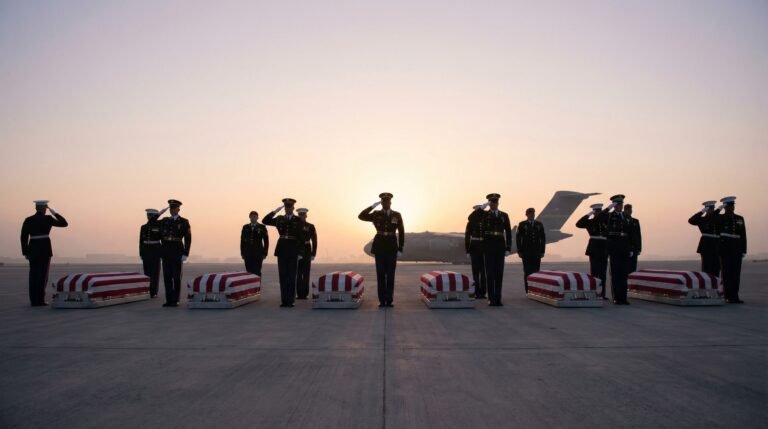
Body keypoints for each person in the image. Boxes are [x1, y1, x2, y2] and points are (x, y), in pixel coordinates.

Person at [358, 193, 404, 308]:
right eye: (383, 202)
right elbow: (361, 216)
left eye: (387, 202)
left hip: (392, 247)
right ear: (381, 203)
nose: (385, 204)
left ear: (390, 203)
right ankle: (382, 301)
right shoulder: (376, 214)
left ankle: (389, 300)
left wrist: (400, 248)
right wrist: (372, 206)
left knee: (390, 275)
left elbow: (402, 232)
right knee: (380, 275)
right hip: (379, 248)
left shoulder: (397, 215)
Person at [20, 200, 68, 306]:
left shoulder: (28, 219)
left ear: (36, 208)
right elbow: (64, 223)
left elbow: (23, 237)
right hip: (45, 250)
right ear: (44, 209)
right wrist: (54, 213)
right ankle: (40, 300)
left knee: (33, 275)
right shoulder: (48, 218)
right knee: (42, 276)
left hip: (33, 249)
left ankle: (33, 301)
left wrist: (25, 252)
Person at [263, 198, 304, 307]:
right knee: (283, 276)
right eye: (286, 207)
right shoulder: (279, 219)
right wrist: (275, 211)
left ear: (293, 208)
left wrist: (300, 252)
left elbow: (301, 236)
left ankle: (290, 301)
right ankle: (284, 301)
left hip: (293, 249)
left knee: (291, 276)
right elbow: (265, 221)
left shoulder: (298, 220)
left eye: (289, 207)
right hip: (281, 249)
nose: (287, 209)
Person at [480, 193, 513, 306]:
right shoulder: (484, 215)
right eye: (491, 203)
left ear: (498, 203)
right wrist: (481, 208)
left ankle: (498, 298)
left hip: (500, 247)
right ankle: (491, 298)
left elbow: (508, 232)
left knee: (499, 274)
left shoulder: (504, 215)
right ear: (489, 204)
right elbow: (480, 230)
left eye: (494, 203)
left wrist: (508, 248)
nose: (493, 205)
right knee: (489, 274)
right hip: (488, 247)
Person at [159, 199, 191, 307]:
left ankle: (176, 299)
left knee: (176, 277)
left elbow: (188, 238)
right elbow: (152, 223)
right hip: (166, 251)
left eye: (174, 208)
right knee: (167, 277)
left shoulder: (184, 222)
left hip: (177, 251)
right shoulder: (164, 220)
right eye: (170, 208)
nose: (172, 210)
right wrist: (159, 213)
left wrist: (186, 253)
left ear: (178, 209)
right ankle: (169, 300)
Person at [604, 194, 634, 305]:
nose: (620, 206)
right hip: (614, 248)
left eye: (621, 204)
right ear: (614, 205)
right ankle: (616, 297)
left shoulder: (626, 217)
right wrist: (609, 207)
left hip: (624, 247)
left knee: (624, 274)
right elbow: (600, 218)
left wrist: (631, 248)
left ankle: (623, 297)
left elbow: (630, 234)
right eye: (618, 204)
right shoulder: (609, 216)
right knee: (616, 274)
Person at [716, 196, 747, 303]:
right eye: (729, 206)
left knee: (736, 273)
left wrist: (744, 250)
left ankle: (734, 296)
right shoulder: (720, 217)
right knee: (726, 273)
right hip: (725, 248)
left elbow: (743, 234)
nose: (732, 207)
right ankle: (727, 295)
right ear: (725, 207)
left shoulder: (740, 218)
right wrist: (719, 208)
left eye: (732, 205)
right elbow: (712, 218)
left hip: (737, 248)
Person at [575, 203, 609, 298]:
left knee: (603, 273)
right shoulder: (590, 222)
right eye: (596, 211)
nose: (598, 213)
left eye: (599, 211)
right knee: (594, 272)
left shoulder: (606, 221)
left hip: (604, 248)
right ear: (594, 212)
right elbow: (578, 224)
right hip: (594, 248)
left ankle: (602, 294)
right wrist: (588, 214)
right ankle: (594, 293)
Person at [140, 206, 168, 298]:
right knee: (147, 272)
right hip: (146, 250)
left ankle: (153, 291)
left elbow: (163, 239)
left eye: (151, 215)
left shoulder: (159, 224)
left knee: (155, 272)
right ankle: (147, 290)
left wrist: (159, 214)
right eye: (148, 215)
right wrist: (141, 253)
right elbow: (140, 241)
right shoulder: (143, 227)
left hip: (156, 250)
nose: (148, 216)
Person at [516, 208, 546, 293]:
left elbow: (542, 238)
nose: (532, 215)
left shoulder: (539, 224)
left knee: (536, 272)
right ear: (527, 215)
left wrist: (542, 251)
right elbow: (518, 239)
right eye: (530, 214)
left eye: (533, 213)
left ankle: (535, 290)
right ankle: (528, 290)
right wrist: (520, 251)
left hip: (536, 252)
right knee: (527, 272)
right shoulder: (522, 225)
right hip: (526, 253)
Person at [688, 201, 720, 277]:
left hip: (717, 244)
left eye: (713, 209)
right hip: (706, 245)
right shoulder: (701, 219)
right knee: (707, 266)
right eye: (710, 209)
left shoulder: (718, 219)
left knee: (717, 266)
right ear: (706, 209)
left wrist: (718, 211)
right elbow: (691, 220)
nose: (712, 210)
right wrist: (702, 212)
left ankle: (715, 284)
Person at [465, 203, 488, 299]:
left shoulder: (487, 219)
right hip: (474, 247)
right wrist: (467, 250)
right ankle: (476, 291)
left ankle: (482, 292)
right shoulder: (472, 220)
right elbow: (467, 236)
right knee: (476, 271)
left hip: (484, 247)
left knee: (483, 272)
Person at [296, 208, 317, 300]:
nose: (301, 216)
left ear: (306, 215)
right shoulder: (294, 225)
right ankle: (299, 293)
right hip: (297, 251)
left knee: (306, 273)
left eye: (303, 214)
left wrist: (313, 253)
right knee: (298, 273)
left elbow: (314, 240)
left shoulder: (310, 226)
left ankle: (305, 293)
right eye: (300, 214)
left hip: (307, 250)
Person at [241, 211, 269, 276]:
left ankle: (257, 285)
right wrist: (242, 253)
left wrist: (265, 253)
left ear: (257, 217)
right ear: (249, 217)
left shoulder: (262, 227)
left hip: (258, 253)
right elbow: (242, 241)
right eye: (252, 216)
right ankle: (250, 285)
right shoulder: (245, 227)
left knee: (257, 271)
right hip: (247, 253)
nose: (253, 218)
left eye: (255, 216)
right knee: (249, 271)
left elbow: (266, 241)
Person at [624, 204, 642, 273]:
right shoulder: (622, 220)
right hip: (625, 248)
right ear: (625, 210)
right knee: (625, 268)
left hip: (634, 248)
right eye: (628, 210)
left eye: (631, 210)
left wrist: (639, 248)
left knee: (633, 268)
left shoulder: (635, 221)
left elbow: (638, 235)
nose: (630, 211)